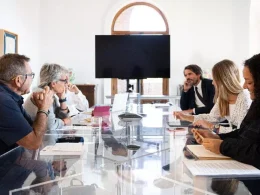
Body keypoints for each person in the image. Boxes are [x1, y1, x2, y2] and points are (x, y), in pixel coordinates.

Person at [192, 53, 260, 169]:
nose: (244, 86)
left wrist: (222, 145)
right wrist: (217, 137)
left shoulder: (245, 97)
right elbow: (242, 133)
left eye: (249, 82)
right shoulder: (256, 102)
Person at [175, 60, 251, 134]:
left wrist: (212, 127)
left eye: (215, 79)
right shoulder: (222, 97)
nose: (212, 82)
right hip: (232, 139)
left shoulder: (243, 97)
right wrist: (185, 117)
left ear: (223, 79)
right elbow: (212, 117)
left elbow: (240, 131)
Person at [0, 54, 53, 155]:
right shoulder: (4, 101)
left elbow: (32, 129)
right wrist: (44, 108)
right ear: (18, 80)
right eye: (30, 75)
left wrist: (41, 107)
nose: (32, 79)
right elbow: (34, 143)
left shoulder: (11, 97)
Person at [24, 63, 71, 133]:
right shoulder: (42, 95)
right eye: (64, 81)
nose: (67, 83)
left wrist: (62, 98)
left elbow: (61, 117)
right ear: (53, 83)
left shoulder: (50, 94)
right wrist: (64, 122)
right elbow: (50, 126)